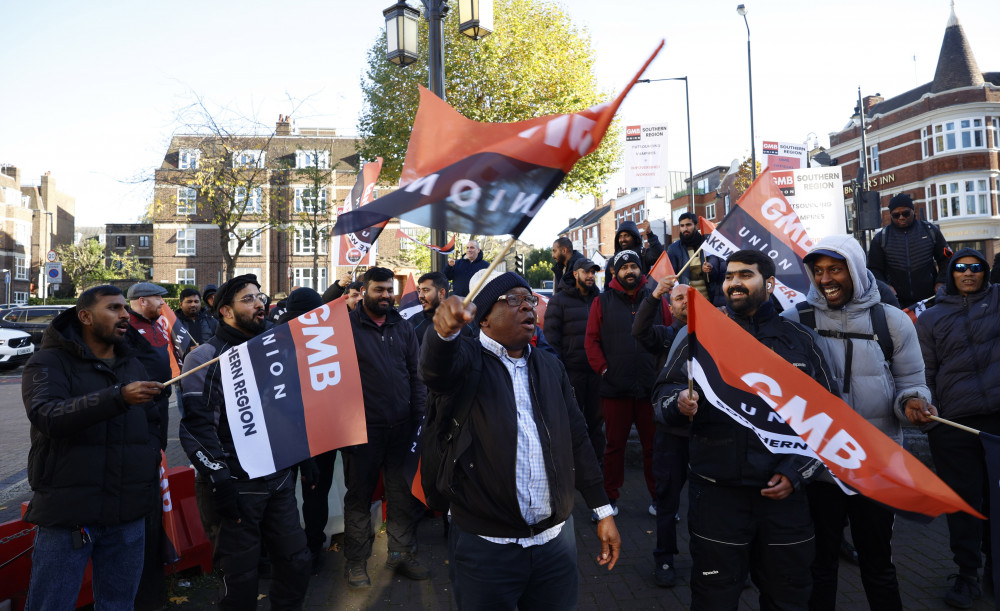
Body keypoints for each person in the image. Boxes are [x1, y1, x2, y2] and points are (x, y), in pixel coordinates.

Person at [420, 271, 621, 609]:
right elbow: (435, 369)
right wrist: (442, 334)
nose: (529, 308)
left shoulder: (550, 367)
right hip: (486, 550)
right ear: (483, 317)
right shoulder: (466, 361)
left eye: (531, 300)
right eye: (514, 300)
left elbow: (577, 439)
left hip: (555, 545)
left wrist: (602, 511)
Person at [653, 249, 837, 610]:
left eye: (745, 275)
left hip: (784, 498)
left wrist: (795, 473)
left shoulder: (800, 340)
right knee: (713, 598)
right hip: (717, 497)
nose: (734, 283)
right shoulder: (700, 337)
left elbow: (829, 419)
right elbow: (661, 396)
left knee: (789, 597)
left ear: (768, 284)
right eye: (730, 276)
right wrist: (678, 404)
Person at [782, 235, 932, 611]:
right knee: (820, 566)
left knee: (878, 565)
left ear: (856, 269)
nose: (825, 278)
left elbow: (912, 383)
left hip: (876, 464)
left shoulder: (892, 321)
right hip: (819, 468)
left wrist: (913, 402)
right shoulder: (794, 320)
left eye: (835, 269)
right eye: (818, 271)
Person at [21, 285, 164, 610]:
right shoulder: (47, 362)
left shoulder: (132, 363)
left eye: (125, 308)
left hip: (128, 515)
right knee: (51, 604)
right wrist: (117, 397)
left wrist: (148, 459)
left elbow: (153, 421)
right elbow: (48, 416)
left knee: (118, 605)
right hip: (69, 517)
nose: (125, 314)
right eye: (113, 308)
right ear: (85, 316)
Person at [179, 274, 311, 609]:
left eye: (260, 296)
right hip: (234, 486)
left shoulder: (272, 345)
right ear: (225, 311)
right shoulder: (205, 357)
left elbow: (288, 407)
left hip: (278, 479)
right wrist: (219, 478)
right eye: (249, 299)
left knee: (296, 562)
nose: (259, 304)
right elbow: (196, 427)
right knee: (238, 581)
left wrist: (305, 454)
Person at [914, 248, 1000, 608]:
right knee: (963, 503)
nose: (968, 273)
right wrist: (929, 412)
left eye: (975, 268)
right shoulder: (930, 318)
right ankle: (967, 574)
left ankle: (995, 571)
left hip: (997, 421)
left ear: (985, 272)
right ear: (951, 274)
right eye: (961, 268)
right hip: (952, 425)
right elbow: (924, 372)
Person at [343, 267, 428, 588]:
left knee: (401, 494)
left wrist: (419, 418)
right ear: (363, 291)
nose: (386, 296)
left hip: (401, 429)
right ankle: (355, 562)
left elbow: (415, 375)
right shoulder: (346, 328)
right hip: (361, 431)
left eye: (389, 290)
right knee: (359, 498)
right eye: (379, 290)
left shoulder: (402, 327)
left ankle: (402, 554)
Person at [585, 250, 665, 517]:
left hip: (649, 388)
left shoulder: (655, 299)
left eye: (634, 266)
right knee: (613, 447)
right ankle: (609, 500)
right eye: (624, 267)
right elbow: (591, 341)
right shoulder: (602, 301)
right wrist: (605, 369)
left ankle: (659, 498)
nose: (630, 271)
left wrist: (661, 372)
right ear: (614, 273)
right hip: (614, 388)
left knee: (653, 448)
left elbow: (667, 334)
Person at [632, 277, 690, 588]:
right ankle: (664, 558)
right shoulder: (665, 336)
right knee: (667, 500)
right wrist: (653, 296)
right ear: (669, 307)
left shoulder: (711, 335)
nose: (685, 303)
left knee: (710, 503)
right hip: (670, 433)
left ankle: (714, 559)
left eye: (689, 298)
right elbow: (638, 331)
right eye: (679, 298)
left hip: (704, 434)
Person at [126, 281, 175, 610]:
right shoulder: (129, 329)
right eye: (158, 297)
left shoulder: (157, 325)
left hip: (160, 409)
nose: (162, 302)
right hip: (144, 413)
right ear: (142, 300)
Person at [274, 288, 330, 574]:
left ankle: (309, 548)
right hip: (292, 431)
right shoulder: (275, 339)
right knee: (291, 495)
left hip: (316, 432)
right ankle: (300, 549)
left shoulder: (327, 336)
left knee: (312, 495)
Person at [544, 257, 604, 465]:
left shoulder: (601, 299)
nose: (590, 276)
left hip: (597, 373)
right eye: (586, 272)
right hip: (572, 373)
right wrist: (561, 374)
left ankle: (597, 466)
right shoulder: (559, 300)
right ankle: (572, 467)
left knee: (597, 424)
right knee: (572, 423)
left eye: (593, 272)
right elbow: (552, 340)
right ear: (575, 273)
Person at [868, 192, 952, 309]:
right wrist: (885, 286)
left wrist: (941, 281)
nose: (901, 217)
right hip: (897, 303)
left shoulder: (930, 231)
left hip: (929, 300)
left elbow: (947, 258)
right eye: (896, 215)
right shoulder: (881, 237)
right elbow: (874, 268)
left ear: (913, 211)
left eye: (905, 213)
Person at [667, 212, 724, 304]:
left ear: (696, 225)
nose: (685, 228)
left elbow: (717, 273)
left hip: (708, 297)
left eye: (688, 225)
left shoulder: (707, 244)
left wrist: (710, 269)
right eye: (682, 226)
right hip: (687, 298)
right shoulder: (673, 249)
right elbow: (671, 275)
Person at [602, 219, 664, 289]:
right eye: (620, 236)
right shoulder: (613, 260)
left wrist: (650, 234)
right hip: (620, 298)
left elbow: (659, 256)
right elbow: (607, 287)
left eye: (626, 235)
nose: (623, 239)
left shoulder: (643, 254)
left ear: (634, 237)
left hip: (643, 297)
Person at [410, 271, 449, 345]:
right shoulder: (412, 324)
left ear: (441, 293)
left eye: (425, 290)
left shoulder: (463, 322)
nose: (420, 296)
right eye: (419, 291)